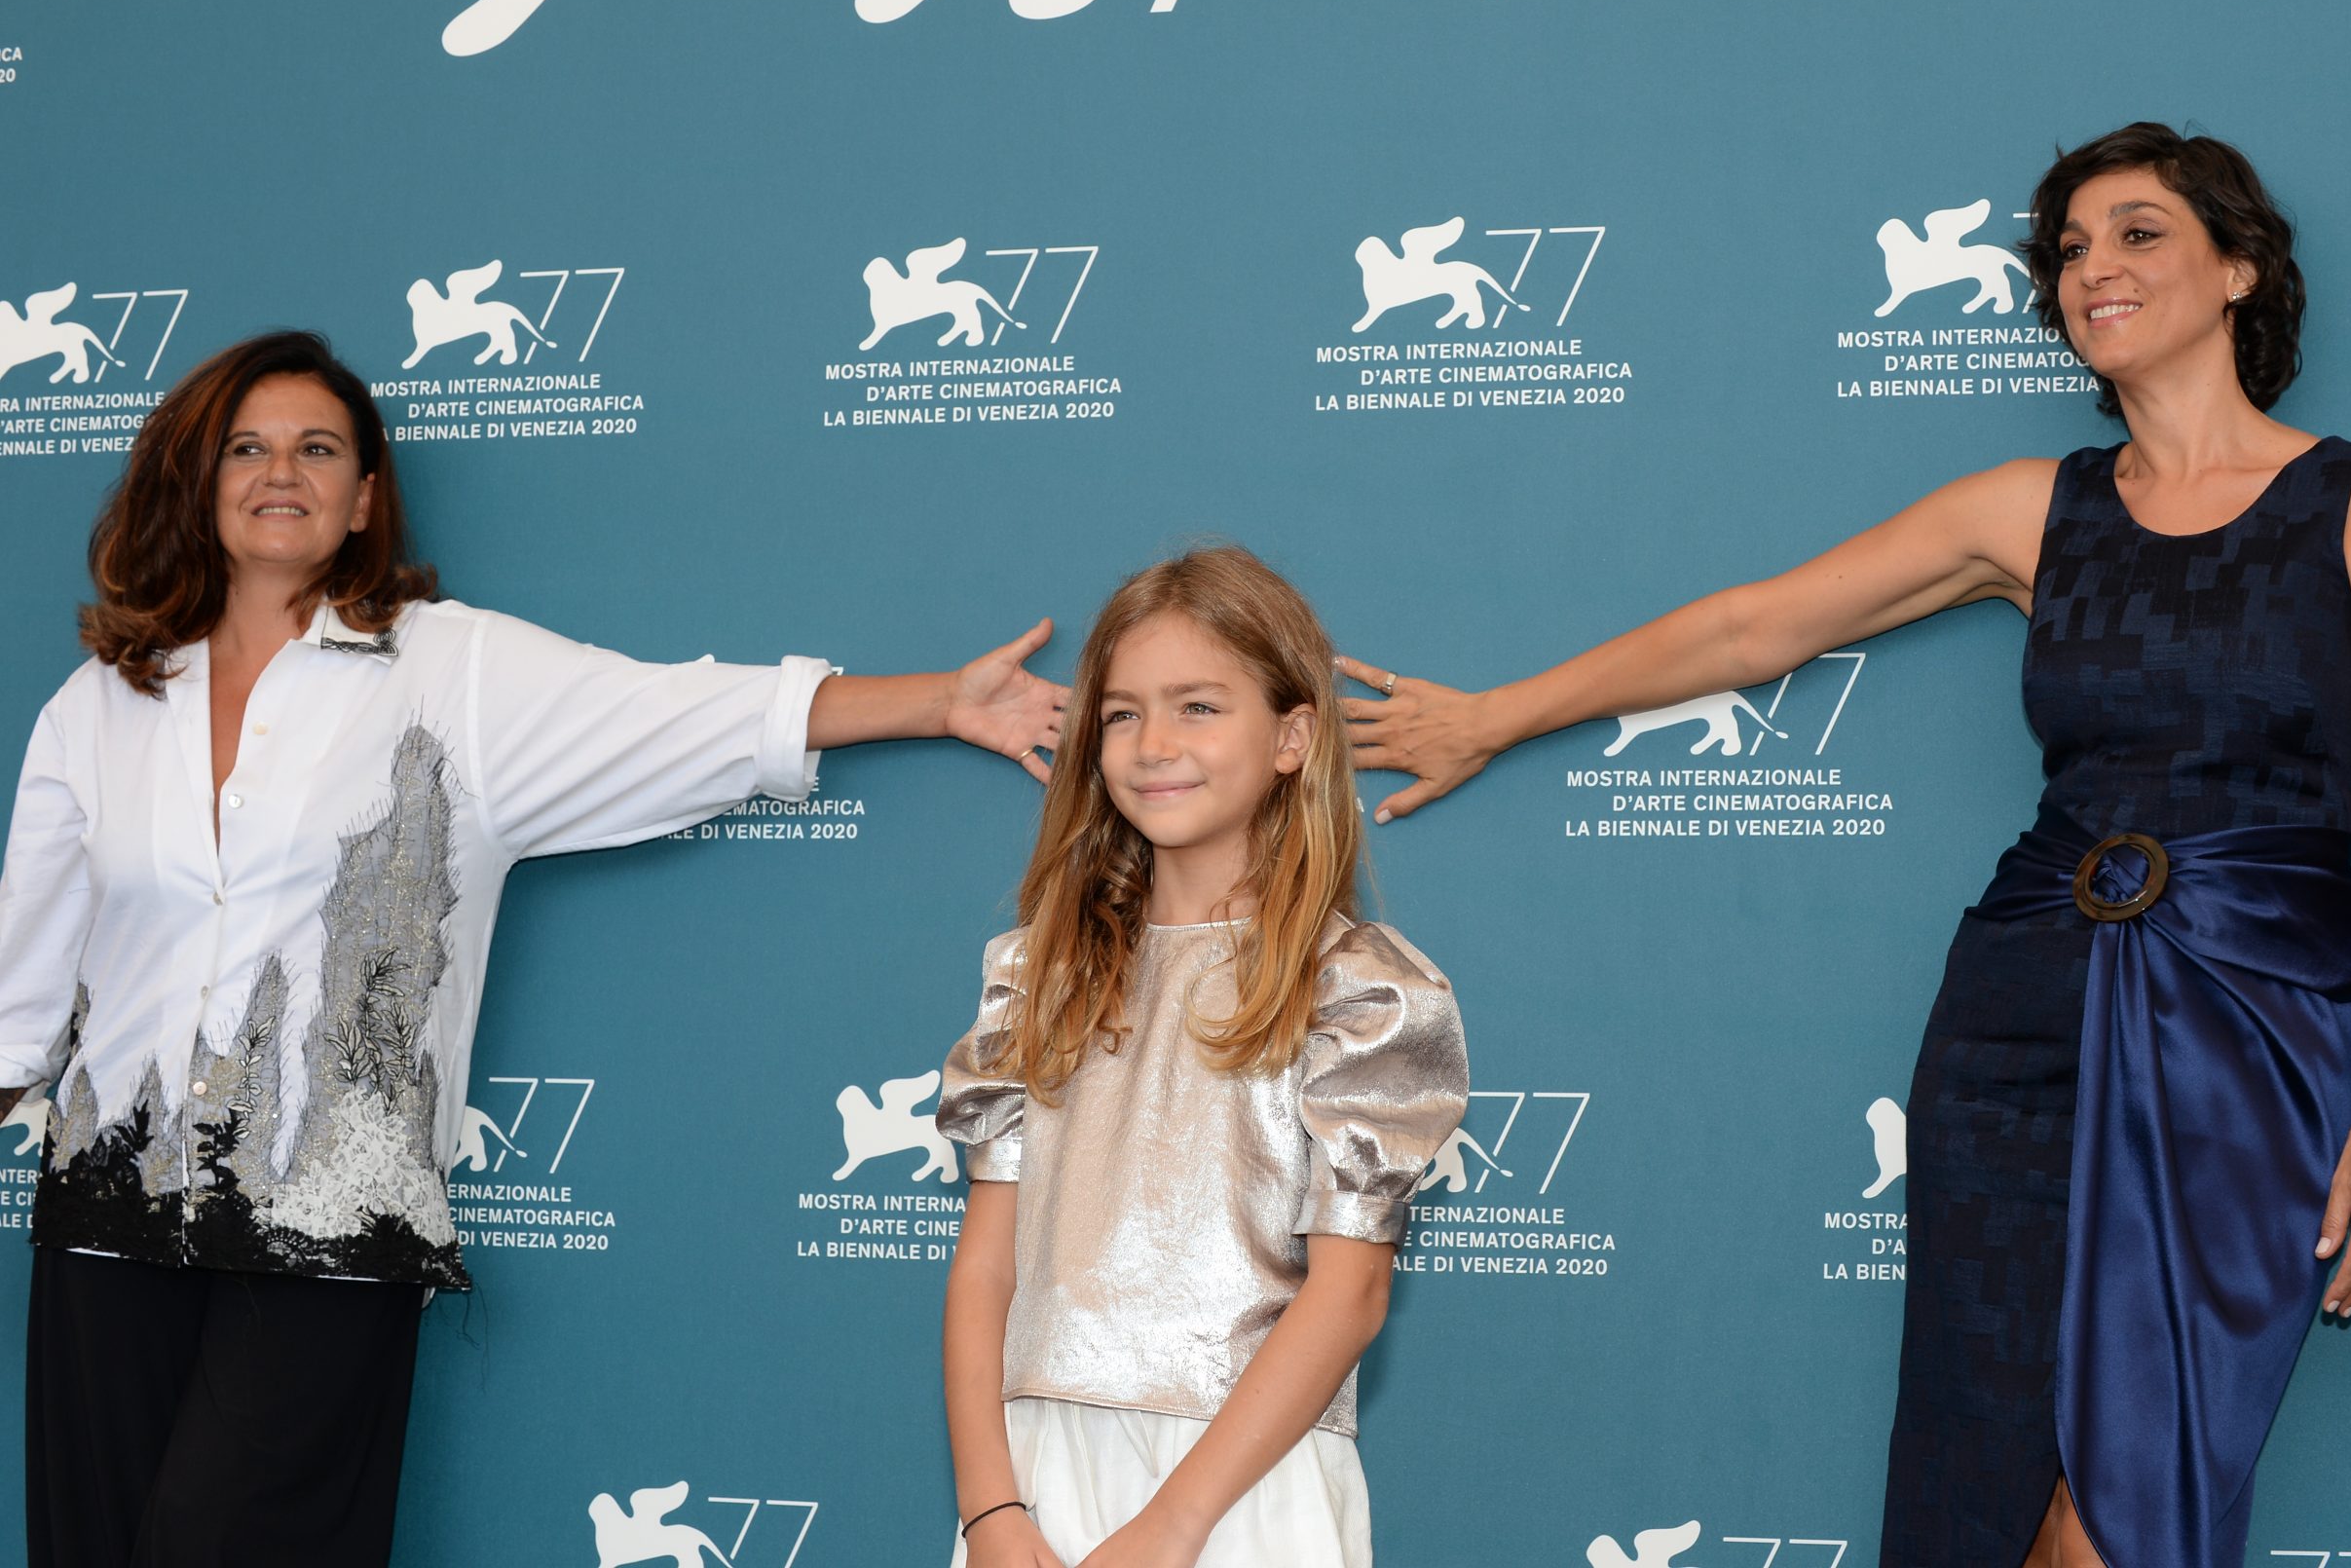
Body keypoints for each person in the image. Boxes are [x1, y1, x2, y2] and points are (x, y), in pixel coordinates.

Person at [1334, 124, 2351, 1568]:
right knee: (1987, 1476)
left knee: (2130, 1503)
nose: (2094, 269)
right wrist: (1497, 715)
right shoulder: (2034, 510)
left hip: (2259, 1034)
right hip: (2019, 1025)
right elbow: (1756, 625)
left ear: (2239, 268)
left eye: (2138, 234)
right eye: (2070, 250)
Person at [0, 329, 1066, 1567]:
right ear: (200, 482)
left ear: (364, 498)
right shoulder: (102, 702)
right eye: (246, 447)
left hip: (327, 1229)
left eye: (317, 449)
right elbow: (23, 988)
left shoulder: (450, 672)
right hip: (102, 1223)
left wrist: (939, 699)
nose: (279, 471)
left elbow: (677, 715)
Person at [936, 545, 1468, 1568]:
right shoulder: (1036, 975)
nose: (1153, 745)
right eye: (1122, 713)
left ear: (1292, 737)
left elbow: (1350, 1294)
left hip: (1244, 1489)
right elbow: (987, 1264)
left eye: (1198, 707)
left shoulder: (1362, 990)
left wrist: (1174, 1526)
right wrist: (990, 1509)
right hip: (1034, 1476)